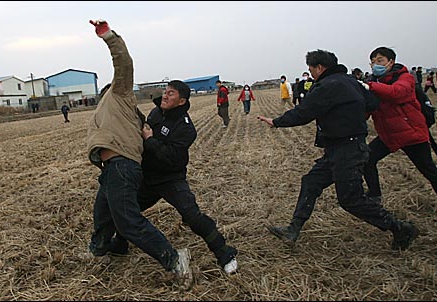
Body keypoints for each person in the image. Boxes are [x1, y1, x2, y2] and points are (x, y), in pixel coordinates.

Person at [257, 49, 419, 251]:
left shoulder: (327, 86)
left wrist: (276, 122)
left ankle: (400, 228)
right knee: (311, 182)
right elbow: (373, 103)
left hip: (347, 150)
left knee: (351, 200)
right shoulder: (351, 81)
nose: (310, 72)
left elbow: (304, 112)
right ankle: (293, 229)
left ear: (319, 67)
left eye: (311, 69)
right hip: (342, 147)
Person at [85, 19, 192, 289]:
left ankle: (173, 259)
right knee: (102, 214)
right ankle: (100, 250)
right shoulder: (125, 113)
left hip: (120, 167)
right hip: (113, 169)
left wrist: (108, 36)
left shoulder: (119, 93)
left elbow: (123, 62)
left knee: (129, 222)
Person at [113, 80, 239, 274]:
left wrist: (150, 139)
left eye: (170, 93)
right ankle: (119, 245)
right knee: (126, 210)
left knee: (192, 216)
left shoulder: (186, 128)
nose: (165, 95)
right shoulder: (156, 113)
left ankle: (224, 253)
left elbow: (170, 157)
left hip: (171, 179)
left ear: (181, 101)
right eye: (165, 91)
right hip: (148, 177)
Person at [362, 46, 437, 215]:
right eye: (373, 62)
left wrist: (370, 87)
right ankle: (374, 196)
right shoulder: (374, 83)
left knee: (427, 169)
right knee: (366, 159)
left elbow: (397, 93)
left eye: (380, 60)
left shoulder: (404, 78)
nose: (376, 65)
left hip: (410, 133)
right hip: (389, 135)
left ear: (391, 62)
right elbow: (368, 109)